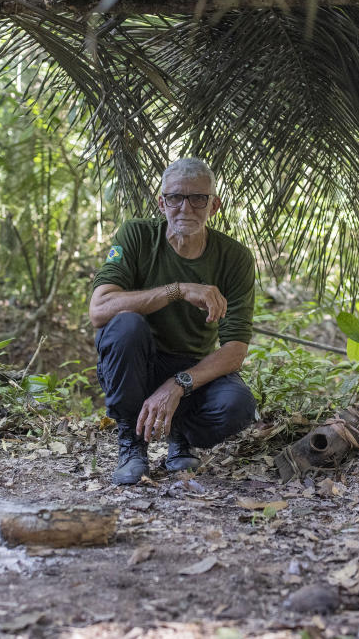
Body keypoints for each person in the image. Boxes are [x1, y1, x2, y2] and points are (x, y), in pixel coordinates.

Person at [89, 158, 257, 485]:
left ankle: (181, 436)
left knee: (238, 404)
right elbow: (99, 310)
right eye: (175, 198)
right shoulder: (137, 235)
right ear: (161, 202)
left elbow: (235, 350)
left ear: (215, 205)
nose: (186, 208)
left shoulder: (234, 257)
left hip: (189, 369)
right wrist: (177, 290)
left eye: (198, 198)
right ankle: (131, 444)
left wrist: (178, 384)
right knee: (126, 325)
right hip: (138, 361)